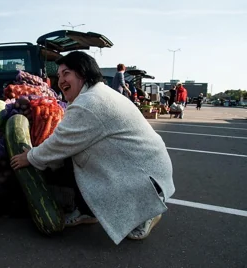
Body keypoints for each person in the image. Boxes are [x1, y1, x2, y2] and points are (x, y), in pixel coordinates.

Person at [10, 51, 175, 245]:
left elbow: (60, 143)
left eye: (67, 73)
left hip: (146, 178)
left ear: (83, 73)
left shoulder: (90, 102)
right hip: (142, 166)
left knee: (61, 160)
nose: (60, 80)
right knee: (71, 160)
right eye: (60, 75)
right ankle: (88, 212)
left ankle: (148, 211)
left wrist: (30, 157)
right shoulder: (97, 93)